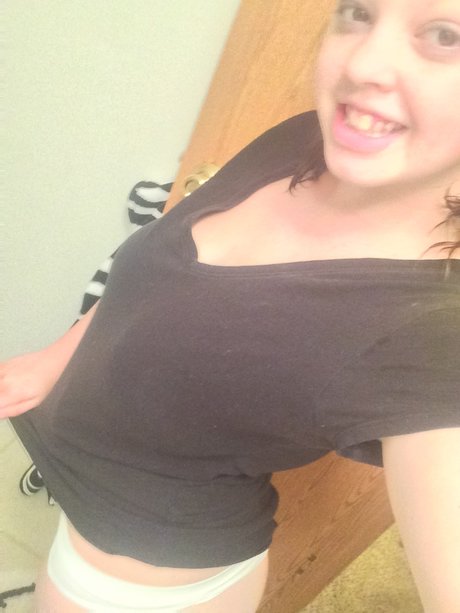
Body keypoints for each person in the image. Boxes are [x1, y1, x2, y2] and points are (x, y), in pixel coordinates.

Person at [1, 0, 460, 611]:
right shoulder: (304, 140)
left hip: (127, 592)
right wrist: (56, 358)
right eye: (358, 11)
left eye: (444, 35)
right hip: (82, 504)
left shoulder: (431, 337)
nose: (363, 64)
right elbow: (152, 282)